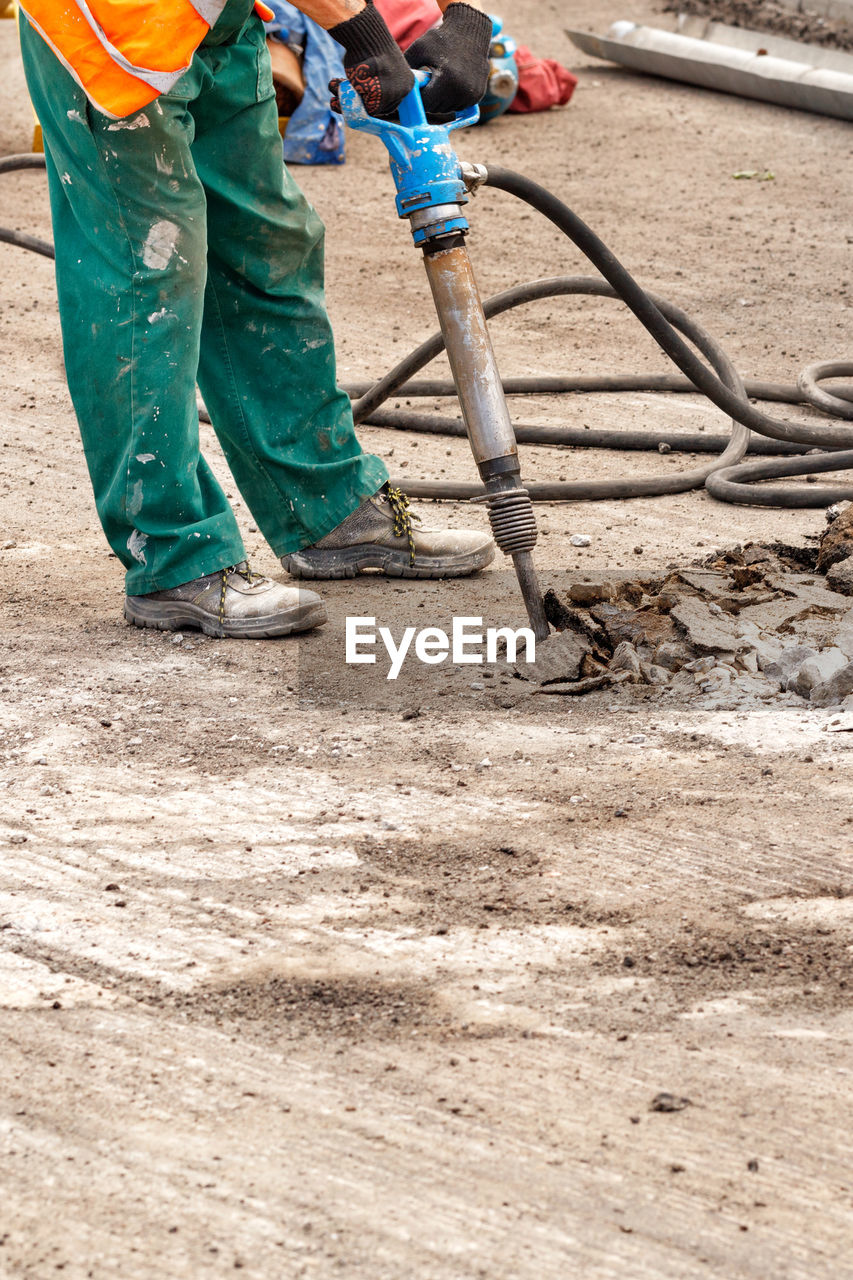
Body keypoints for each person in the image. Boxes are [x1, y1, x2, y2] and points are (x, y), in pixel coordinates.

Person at [16, 0, 495, 638]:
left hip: (216, 18)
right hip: (113, 25)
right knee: (151, 269)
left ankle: (328, 508)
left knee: (268, 243)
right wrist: (362, 30)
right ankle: (173, 556)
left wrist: (462, 19)